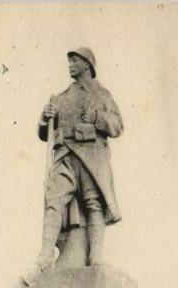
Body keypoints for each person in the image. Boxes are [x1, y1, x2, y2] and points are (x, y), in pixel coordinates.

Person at [35, 48, 124, 275]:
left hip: (91, 157)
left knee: (93, 202)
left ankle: (95, 256)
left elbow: (117, 126)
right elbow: (45, 134)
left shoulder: (102, 95)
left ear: (87, 64)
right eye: (69, 60)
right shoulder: (60, 97)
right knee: (53, 200)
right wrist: (45, 119)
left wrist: (96, 118)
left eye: (75, 60)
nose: (70, 64)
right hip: (64, 155)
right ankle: (45, 254)